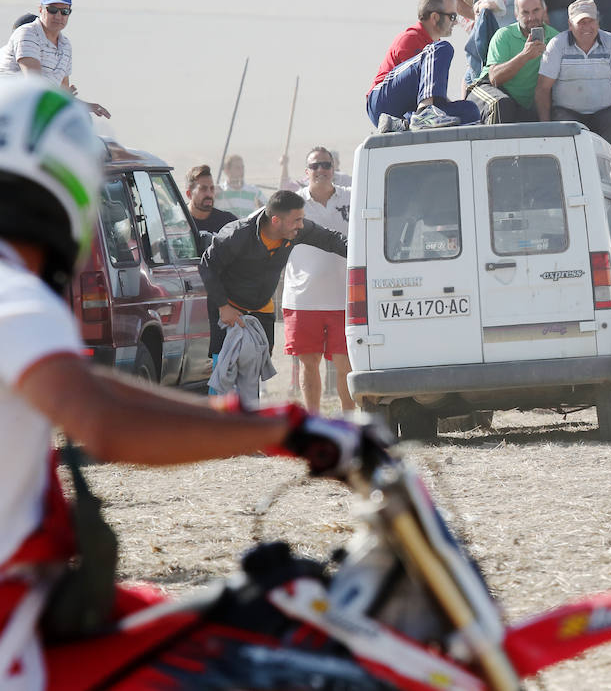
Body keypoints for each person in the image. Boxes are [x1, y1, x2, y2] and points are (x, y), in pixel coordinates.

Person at [0, 78, 360, 691]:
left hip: (37, 593)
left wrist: (264, 422)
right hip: (16, 625)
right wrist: (281, 428)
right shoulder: (18, 298)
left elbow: (100, 390)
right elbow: (106, 422)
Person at [201, 189, 347, 367]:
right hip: (229, 309)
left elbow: (330, 239)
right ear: (276, 221)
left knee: (256, 370)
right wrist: (223, 307)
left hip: (261, 310)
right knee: (223, 371)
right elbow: (207, 266)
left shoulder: (295, 229)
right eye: (297, 220)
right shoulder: (237, 234)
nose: (301, 225)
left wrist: (362, 254)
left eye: (302, 219)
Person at [284, 147, 354, 415]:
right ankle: (313, 421)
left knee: (345, 364)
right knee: (309, 363)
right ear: (306, 172)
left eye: (326, 165)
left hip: (344, 298)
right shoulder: (294, 203)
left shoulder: (352, 196)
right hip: (303, 299)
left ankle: (349, 420)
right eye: (315, 166)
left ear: (334, 169)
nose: (321, 170)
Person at [535, 0, 611, 144]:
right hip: (567, 114)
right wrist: (545, 127)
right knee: (566, 127)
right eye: (581, 22)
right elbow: (543, 88)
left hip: (604, 114)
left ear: (598, 22)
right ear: (570, 25)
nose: (587, 27)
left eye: (591, 21)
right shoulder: (557, 45)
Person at [367, 0, 479, 130]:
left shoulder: (433, 50)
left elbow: (428, 94)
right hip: (381, 102)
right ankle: (424, 112)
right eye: (452, 17)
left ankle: (402, 123)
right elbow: (414, 87)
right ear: (435, 17)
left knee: (471, 111)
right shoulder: (411, 39)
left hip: (405, 109)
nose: (455, 22)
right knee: (442, 48)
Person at [2, 0, 110, 118]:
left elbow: (62, 92)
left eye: (64, 12)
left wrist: (86, 106)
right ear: (41, 9)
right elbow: (35, 83)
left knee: (82, 118)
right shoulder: (28, 33)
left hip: (36, 106)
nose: (58, 16)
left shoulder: (65, 46)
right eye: (52, 10)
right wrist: (61, 100)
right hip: (10, 107)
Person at [467, 0, 556, 124]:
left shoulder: (555, 39)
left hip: (520, 104)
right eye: (525, 12)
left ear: (544, 11)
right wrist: (525, 56)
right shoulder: (504, 35)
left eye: (536, 10)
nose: (531, 17)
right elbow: (494, 78)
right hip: (488, 90)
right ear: (516, 15)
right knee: (500, 105)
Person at [185, 164, 237, 245]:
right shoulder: (176, 221)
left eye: (212, 188)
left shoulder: (228, 223)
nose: (209, 194)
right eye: (203, 189)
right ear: (189, 194)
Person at [217, 154, 263, 219]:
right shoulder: (218, 192)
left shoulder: (254, 192)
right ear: (227, 170)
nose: (242, 171)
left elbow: (270, 209)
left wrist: (262, 207)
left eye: (242, 167)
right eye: (237, 168)